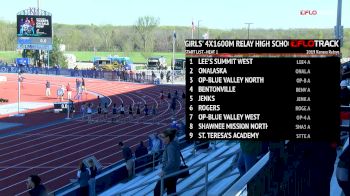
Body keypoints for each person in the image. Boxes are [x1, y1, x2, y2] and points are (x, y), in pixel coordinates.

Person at [154, 128, 180, 196]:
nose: (161, 139)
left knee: (157, 191)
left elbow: (171, 161)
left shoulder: (170, 147)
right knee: (171, 191)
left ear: (168, 137)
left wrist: (164, 171)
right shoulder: (174, 143)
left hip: (169, 173)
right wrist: (161, 135)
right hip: (175, 172)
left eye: (163, 137)